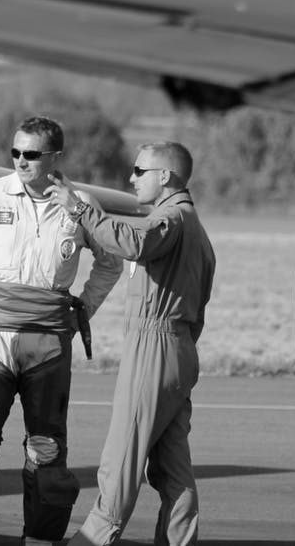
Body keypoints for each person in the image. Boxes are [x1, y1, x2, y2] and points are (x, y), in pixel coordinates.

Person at [0, 116, 123, 546]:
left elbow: (111, 260)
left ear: (56, 157)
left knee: (46, 449)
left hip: (50, 341)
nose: (21, 161)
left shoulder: (81, 204)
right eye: (16, 152)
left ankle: (40, 539)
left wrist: (84, 310)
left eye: (32, 154)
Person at [44, 142, 216, 546]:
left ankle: (93, 539)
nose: (131, 178)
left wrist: (81, 209)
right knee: (173, 469)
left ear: (165, 177)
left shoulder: (170, 219)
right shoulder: (197, 230)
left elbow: (133, 243)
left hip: (155, 349)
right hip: (180, 349)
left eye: (139, 170)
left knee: (122, 458)